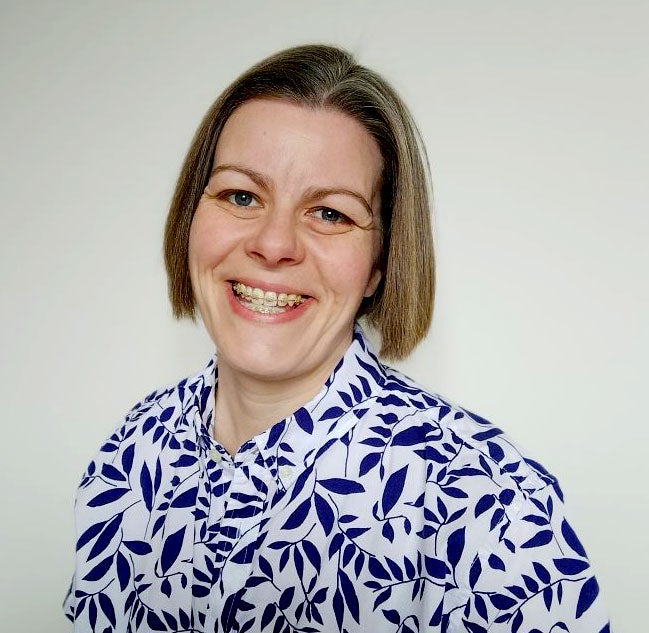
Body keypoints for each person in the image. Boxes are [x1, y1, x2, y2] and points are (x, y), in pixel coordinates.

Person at [64, 45, 609, 632]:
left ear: (381, 262)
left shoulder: (490, 507)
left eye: (330, 213)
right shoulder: (129, 454)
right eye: (240, 196)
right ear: (191, 217)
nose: (274, 245)